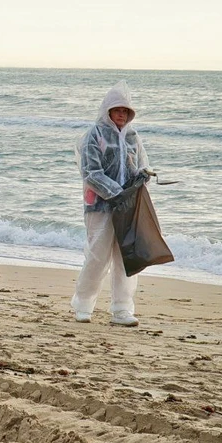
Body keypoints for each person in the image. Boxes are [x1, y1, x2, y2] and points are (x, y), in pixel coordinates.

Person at [70, 80, 150, 327]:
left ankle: (122, 310)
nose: (122, 115)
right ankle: (83, 305)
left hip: (127, 207)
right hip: (100, 207)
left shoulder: (133, 137)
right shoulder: (94, 135)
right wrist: (116, 194)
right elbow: (91, 172)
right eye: (118, 110)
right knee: (97, 255)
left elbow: (140, 165)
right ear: (107, 110)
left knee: (125, 258)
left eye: (126, 111)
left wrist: (143, 178)